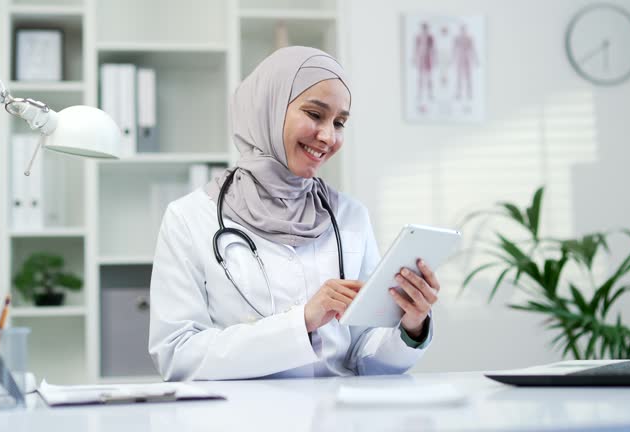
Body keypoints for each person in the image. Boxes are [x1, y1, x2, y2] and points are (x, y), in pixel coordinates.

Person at [149, 46, 438, 381]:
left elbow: (362, 356)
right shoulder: (189, 218)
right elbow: (177, 355)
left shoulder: (349, 216)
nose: (329, 136)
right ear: (267, 109)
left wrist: (411, 326)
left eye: (340, 122)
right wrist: (301, 322)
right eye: (315, 114)